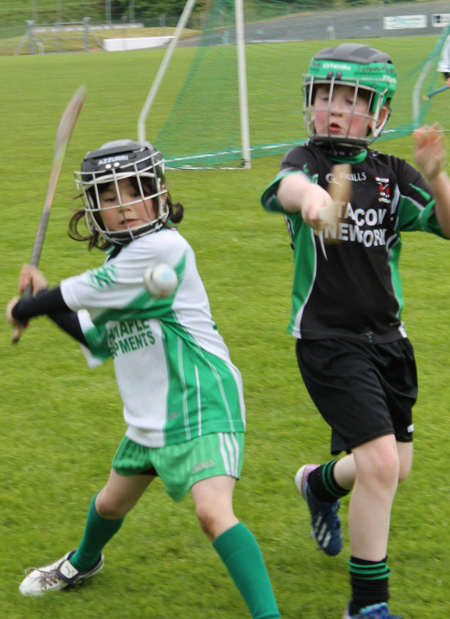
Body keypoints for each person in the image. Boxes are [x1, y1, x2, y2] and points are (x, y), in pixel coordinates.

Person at [6, 139, 280, 619]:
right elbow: (95, 338)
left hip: (201, 399)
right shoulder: (120, 264)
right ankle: (82, 564)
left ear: (157, 194)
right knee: (110, 505)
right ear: (94, 209)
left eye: (133, 192)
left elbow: (86, 289)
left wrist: (28, 305)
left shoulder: (165, 246)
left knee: (213, 514)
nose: (124, 207)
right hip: (151, 412)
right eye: (109, 198)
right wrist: (44, 301)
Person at [260, 42, 450, 619]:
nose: (335, 109)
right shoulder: (306, 164)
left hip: (389, 340)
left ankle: (320, 486)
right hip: (327, 341)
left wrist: (438, 178)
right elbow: (286, 189)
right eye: (324, 96)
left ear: (378, 112)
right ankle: (367, 605)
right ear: (309, 103)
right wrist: (314, 200)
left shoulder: (394, 176)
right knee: (383, 466)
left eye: (351, 98)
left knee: (395, 465)